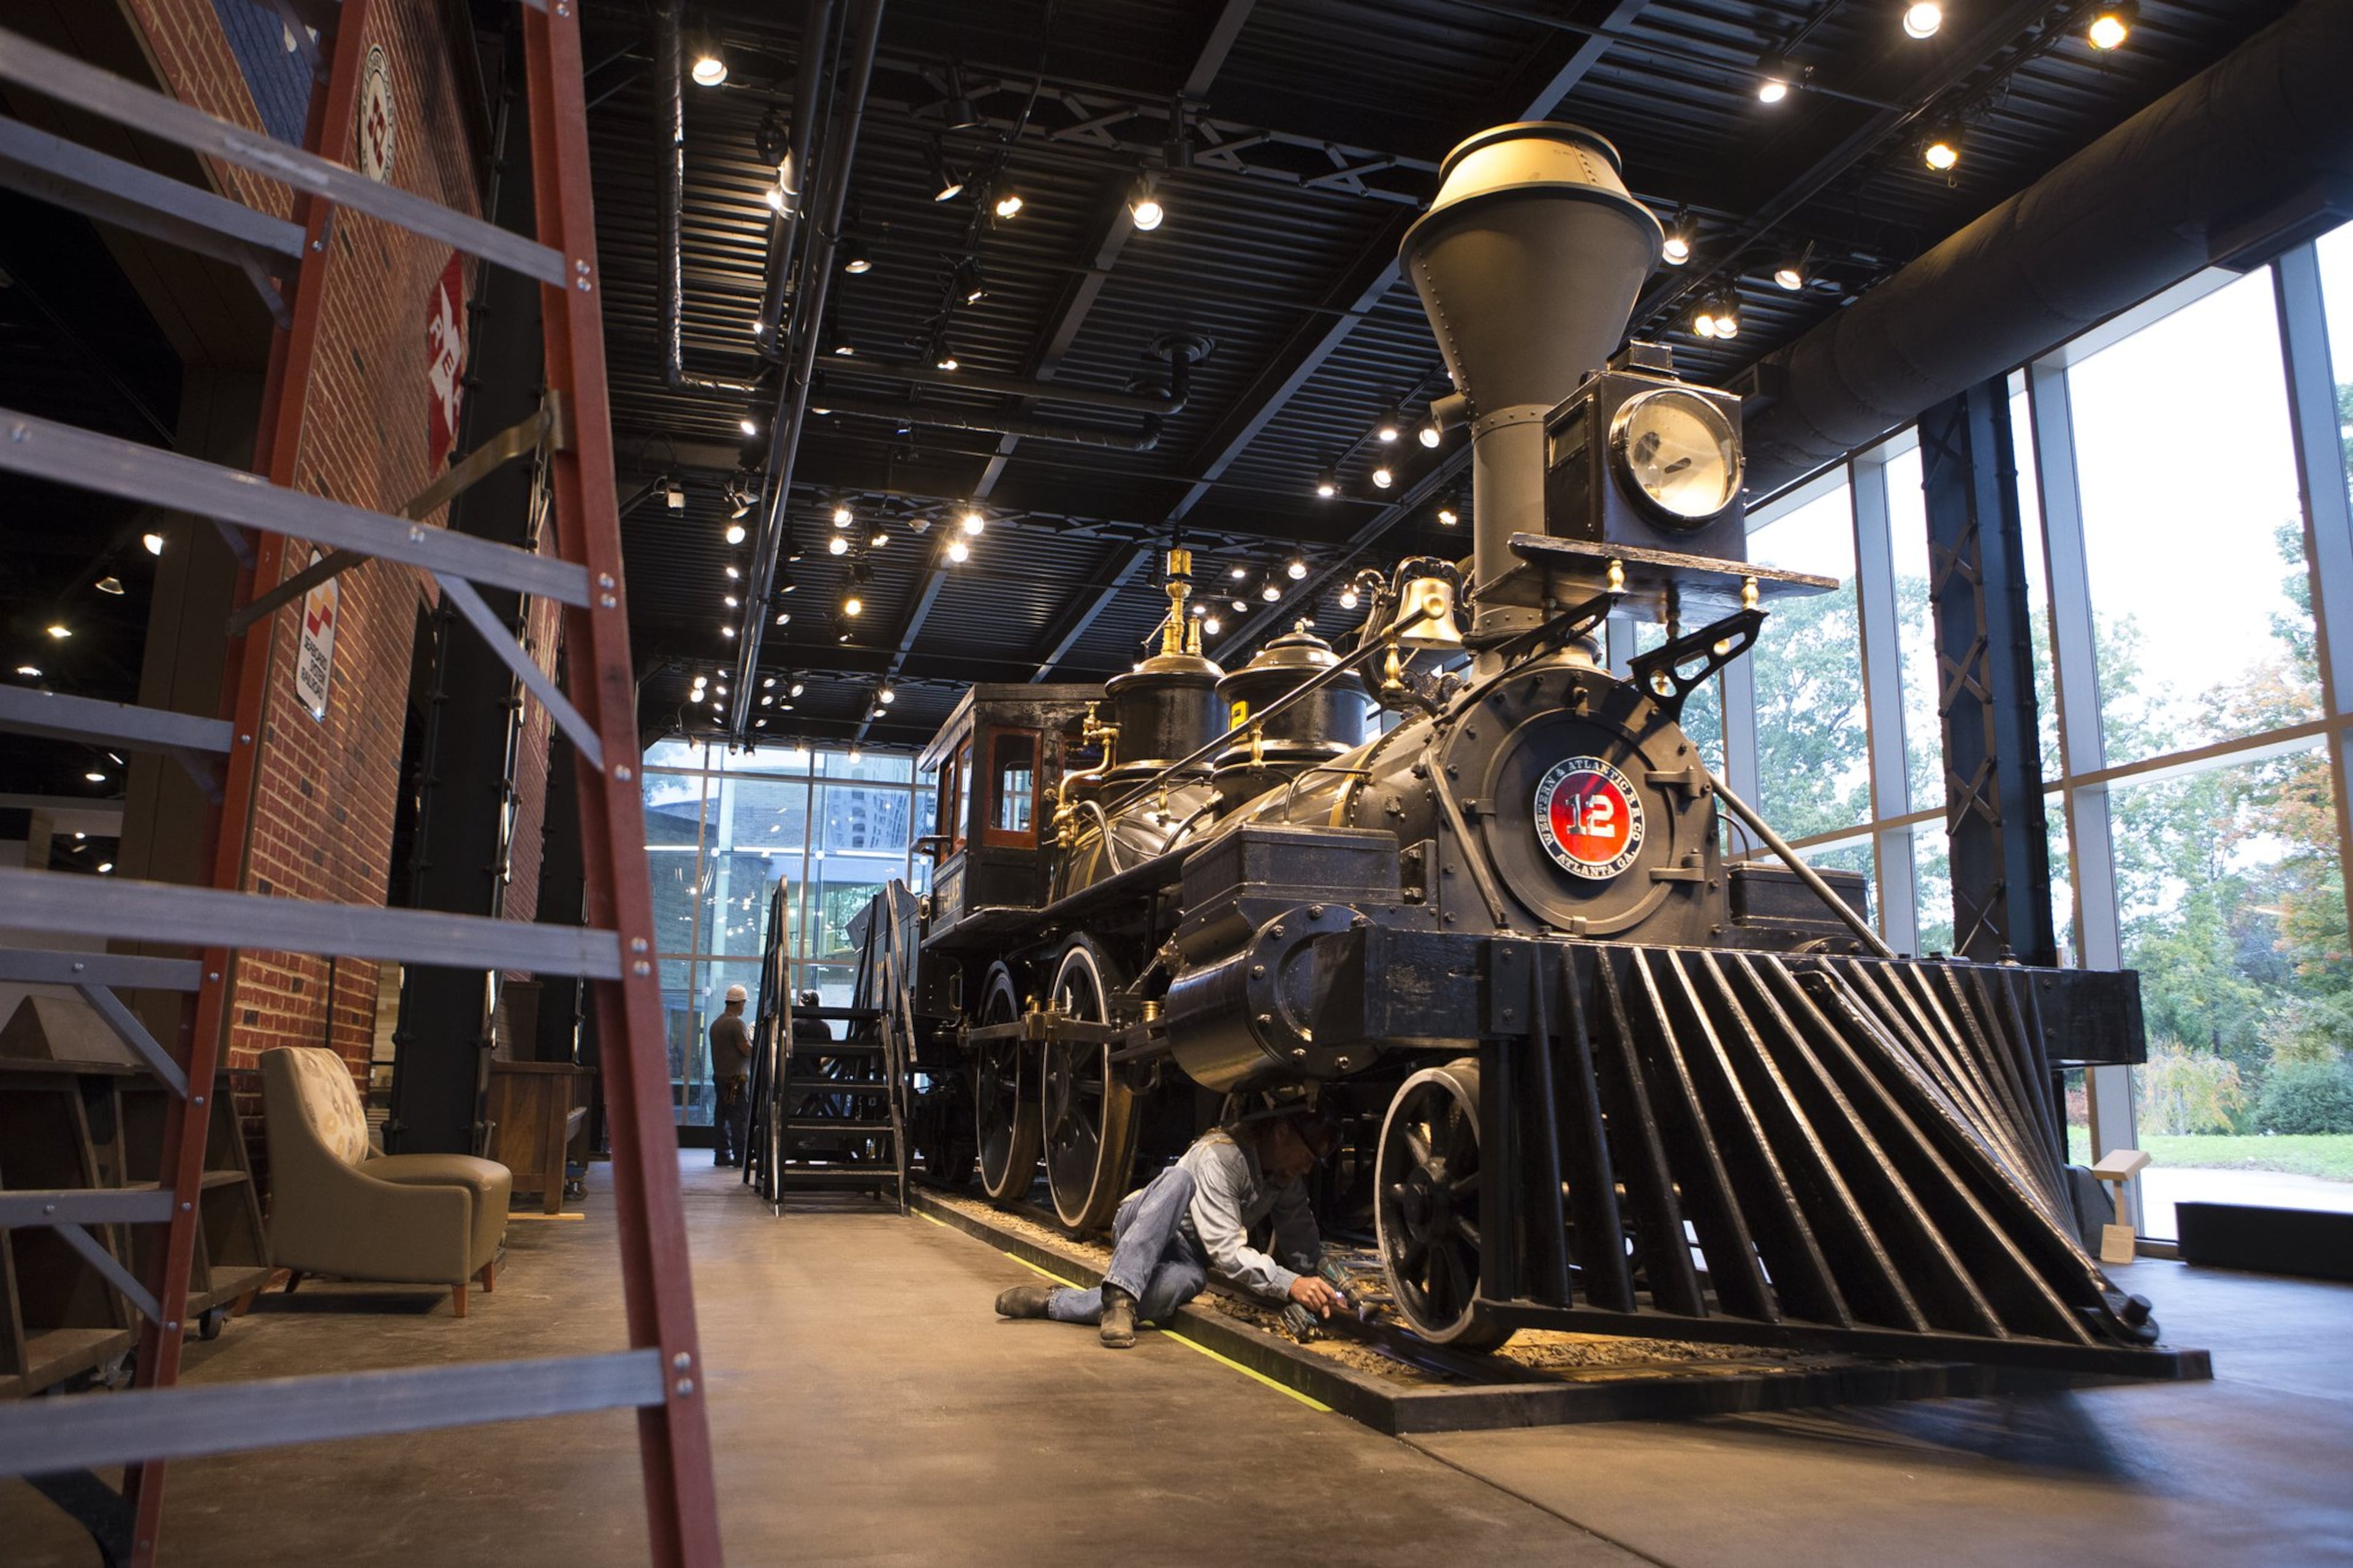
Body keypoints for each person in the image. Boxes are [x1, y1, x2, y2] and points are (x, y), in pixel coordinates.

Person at [992, 1105, 1346, 1348]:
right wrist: (1289, 1283)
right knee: (1179, 1180)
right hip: (1143, 1224)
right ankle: (1119, 1297)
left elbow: (1299, 1232)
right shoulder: (1220, 1156)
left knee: (1187, 1282)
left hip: (1186, 1255)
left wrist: (1317, 1283)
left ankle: (1054, 1303)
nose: (1308, 1168)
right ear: (1283, 1132)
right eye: (1308, 1156)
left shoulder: (1284, 1178)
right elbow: (1226, 1251)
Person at [709, 983, 751, 1167]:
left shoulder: (716, 1024)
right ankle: (741, 1157)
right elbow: (745, 1050)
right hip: (736, 1079)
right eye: (744, 1004)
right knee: (739, 1118)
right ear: (740, 1003)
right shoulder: (736, 1024)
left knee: (722, 1116)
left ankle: (722, 1154)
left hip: (720, 1077)